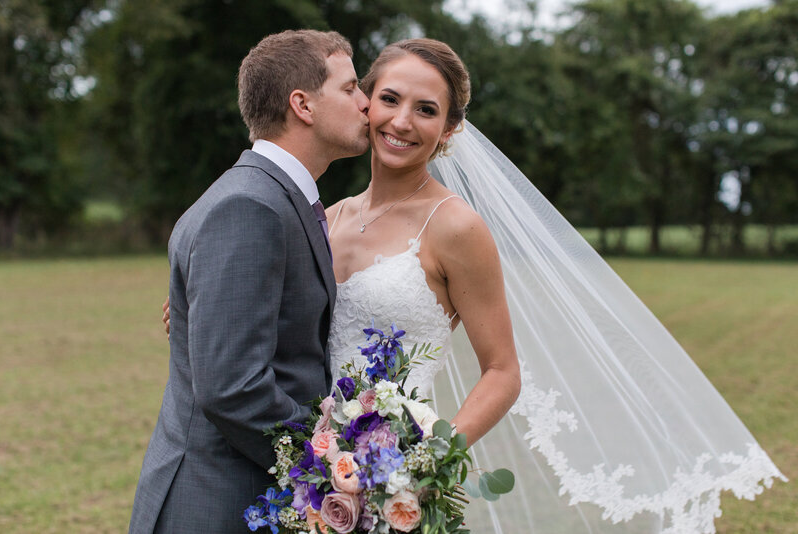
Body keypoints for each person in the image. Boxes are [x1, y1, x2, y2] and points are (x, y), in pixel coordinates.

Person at [163, 37, 785, 533]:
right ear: (364, 104)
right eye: (387, 98)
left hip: (382, 472)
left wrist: (421, 463)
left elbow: (502, 370)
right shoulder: (323, 217)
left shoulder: (456, 228)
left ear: (449, 130)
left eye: (426, 110)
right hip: (312, 476)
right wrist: (199, 303)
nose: (401, 121)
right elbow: (262, 307)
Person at [129, 29, 369, 533]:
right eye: (350, 88)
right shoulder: (249, 207)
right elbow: (233, 386)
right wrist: (334, 464)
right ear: (302, 104)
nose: (366, 103)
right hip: (218, 504)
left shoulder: (276, 198)